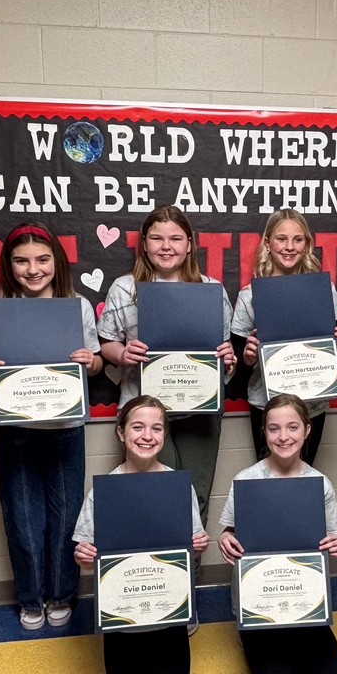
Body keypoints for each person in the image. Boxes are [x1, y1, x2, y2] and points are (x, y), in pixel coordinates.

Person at [0, 222, 103, 631]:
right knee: (22, 517)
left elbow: (98, 363)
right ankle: (30, 598)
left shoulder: (76, 305)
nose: (33, 269)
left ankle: (62, 594)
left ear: (56, 262)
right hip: (17, 429)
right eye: (22, 261)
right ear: (9, 265)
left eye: (42, 259)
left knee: (66, 517)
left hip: (65, 426)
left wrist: (90, 361)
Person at [97, 206, 237, 525]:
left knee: (196, 496)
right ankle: (155, 576)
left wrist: (227, 360)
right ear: (144, 243)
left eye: (175, 238)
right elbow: (105, 344)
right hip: (144, 409)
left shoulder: (211, 290)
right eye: (157, 238)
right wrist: (122, 354)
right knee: (153, 495)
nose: (166, 246)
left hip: (200, 410)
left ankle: (191, 575)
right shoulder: (124, 288)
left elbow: (224, 354)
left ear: (189, 244)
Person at [72, 396, 209, 674]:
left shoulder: (178, 487)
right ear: (121, 433)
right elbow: (85, 552)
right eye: (137, 427)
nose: (147, 435)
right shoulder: (104, 491)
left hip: (168, 618)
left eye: (156, 428)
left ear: (164, 435)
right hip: (122, 621)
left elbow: (191, 544)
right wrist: (84, 557)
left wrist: (197, 544)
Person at [217, 394, 337, 674]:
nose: (283, 436)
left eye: (292, 427)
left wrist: (335, 546)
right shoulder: (246, 480)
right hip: (259, 602)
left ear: (306, 431)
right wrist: (224, 540)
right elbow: (227, 532)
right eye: (274, 429)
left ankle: (294, 645)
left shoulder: (320, 484)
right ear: (264, 432)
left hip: (304, 600)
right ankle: (260, 642)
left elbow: (332, 539)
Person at [232, 209, 337, 464]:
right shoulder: (250, 295)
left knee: (306, 478)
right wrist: (248, 357)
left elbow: (335, 344)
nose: (289, 247)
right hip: (266, 405)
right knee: (269, 481)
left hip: (312, 406)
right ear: (267, 242)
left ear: (306, 244)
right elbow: (237, 358)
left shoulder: (323, 290)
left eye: (298, 239)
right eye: (281, 238)